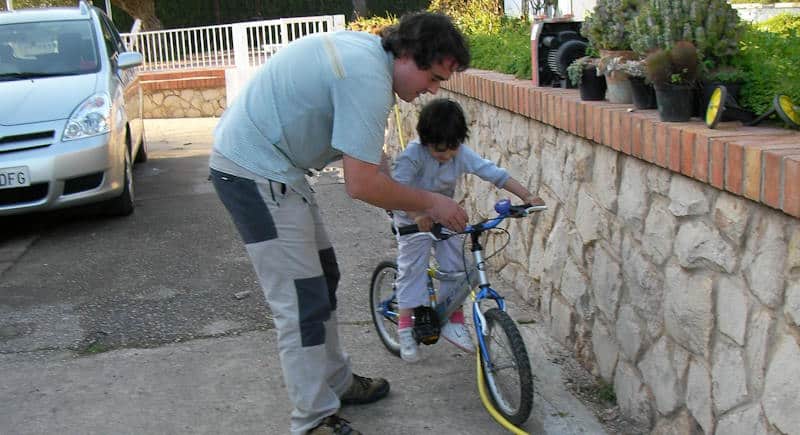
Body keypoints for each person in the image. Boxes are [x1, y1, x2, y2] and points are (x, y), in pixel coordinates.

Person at [208, 12, 470, 435]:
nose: (432, 90)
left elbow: (371, 158)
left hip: (279, 171)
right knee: (299, 302)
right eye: (433, 77)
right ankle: (312, 419)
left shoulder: (369, 59)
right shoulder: (366, 77)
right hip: (252, 171)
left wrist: (407, 207)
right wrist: (432, 202)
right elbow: (361, 183)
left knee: (322, 276)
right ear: (407, 54)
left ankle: (336, 381)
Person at [391, 98, 543, 363]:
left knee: (455, 266)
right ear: (425, 141)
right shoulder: (412, 156)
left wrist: (528, 195)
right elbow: (397, 192)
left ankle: (453, 319)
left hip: (445, 215)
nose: (447, 155)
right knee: (412, 268)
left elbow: (493, 173)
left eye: (452, 148)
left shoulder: (459, 152)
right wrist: (416, 215)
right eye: (439, 150)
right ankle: (405, 326)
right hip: (411, 217)